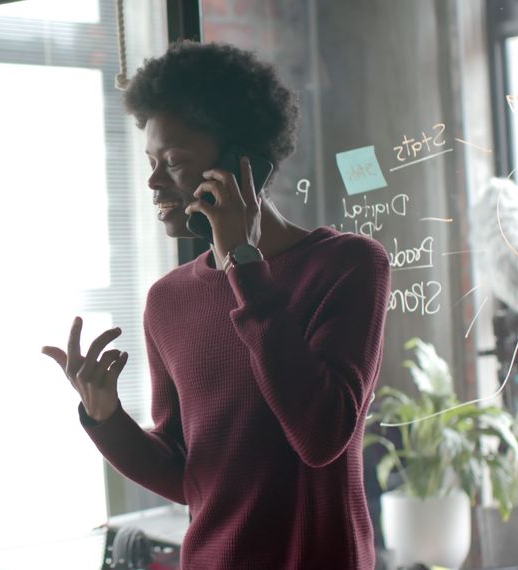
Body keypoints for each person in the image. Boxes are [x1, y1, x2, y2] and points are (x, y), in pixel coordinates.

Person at [42, 41, 391, 569]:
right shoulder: (167, 300)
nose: (154, 181)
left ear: (237, 164)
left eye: (174, 161)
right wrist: (105, 416)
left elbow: (321, 436)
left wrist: (243, 266)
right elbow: (187, 473)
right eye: (151, 161)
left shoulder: (350, 265)